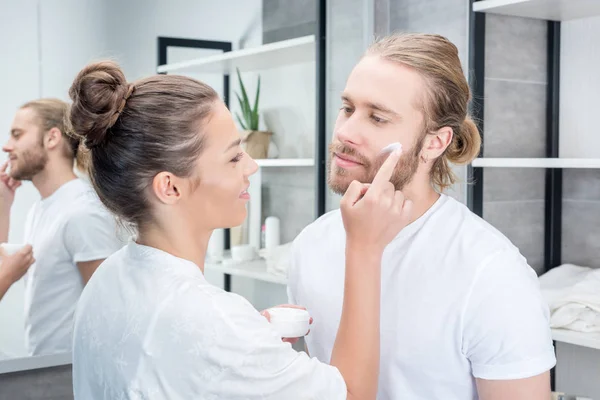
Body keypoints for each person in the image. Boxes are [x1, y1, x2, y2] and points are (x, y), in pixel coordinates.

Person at [68, 60, 411, 399]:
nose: (252, 165)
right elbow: (351, 394)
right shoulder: (212, 323)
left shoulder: (107, 278)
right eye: (233, 158)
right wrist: (364, 247)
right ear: (170, 188)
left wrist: (250, 345)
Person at [287, 33, 556, 400]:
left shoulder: (491, 273)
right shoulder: (310, 245)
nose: (345, 132)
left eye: (378, 117)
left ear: (435, 142)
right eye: (347, 108)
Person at [1, 98, 123, 356]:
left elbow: (109, 309)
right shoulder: (40, 209)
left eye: (17, 135)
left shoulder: (83, 211)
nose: (7, 146)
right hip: (47, 370)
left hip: (73, 373)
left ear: (52, 138)